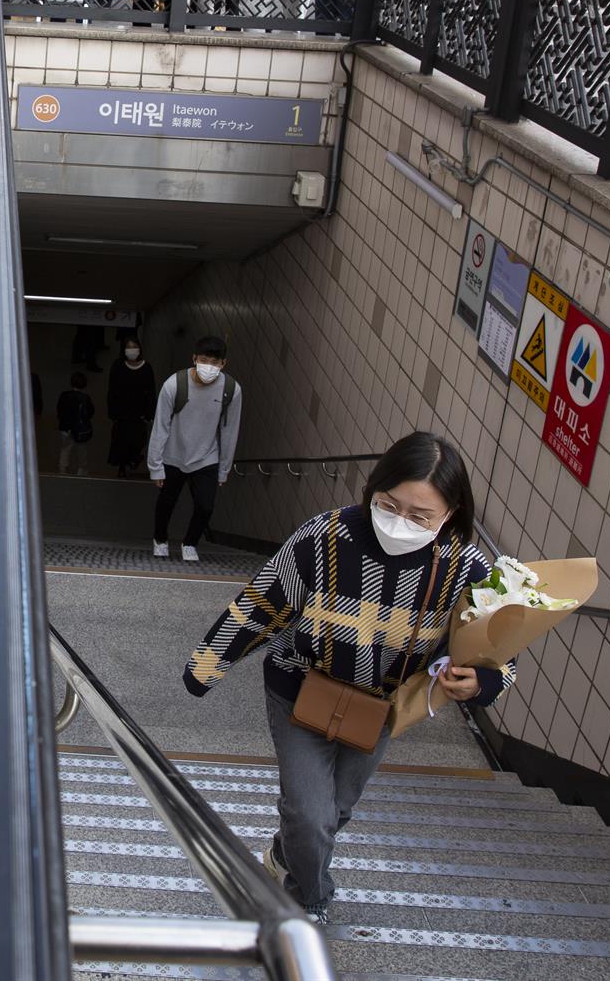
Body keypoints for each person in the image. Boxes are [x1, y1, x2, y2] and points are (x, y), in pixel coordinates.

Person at [181, 432, 514, 923]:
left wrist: (482, 684)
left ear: (451, 511)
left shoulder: (466, 566)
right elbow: (264, 602)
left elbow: (498, 644)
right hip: (299, 687)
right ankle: (310, 900)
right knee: (311, 816)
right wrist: (206, 667)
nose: (401, 523)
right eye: (389, 504)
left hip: (380, 707)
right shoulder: (324, 536)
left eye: (421, 516)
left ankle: (283, 855)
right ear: (373, 489)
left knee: (333, 812)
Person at [147, 336, 241, 560]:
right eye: (204, 360)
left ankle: (190, 543)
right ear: (194, 358)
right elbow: (160, 425)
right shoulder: (174, 384)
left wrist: (224, 469)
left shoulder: (231, 389)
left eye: (215, 362)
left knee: (205, 506)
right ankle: (160, 539)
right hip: (174, 455)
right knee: (167, 503)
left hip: (207, 457)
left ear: (223, 364)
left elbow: (230, 430)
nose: (209, 366)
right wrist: (155, 466)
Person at [106, 336, 154, 479]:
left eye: (134, 347)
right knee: (121, 441)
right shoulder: (118, 366)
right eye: (129, 348)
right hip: (122, 413)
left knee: (137, 440)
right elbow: (112, 390)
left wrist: (149, 413)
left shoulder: (146, 368)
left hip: (139, 413)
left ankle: (134, 458)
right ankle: (121, 467)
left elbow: (151, 392)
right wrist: (112, 411)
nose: (132, 351)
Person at [56, 371, 95, 476]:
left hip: (65, 428)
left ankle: (63, 469)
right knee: (82, 450)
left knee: (65, 449)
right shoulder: (85, 398)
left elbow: (59, 410)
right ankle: (82, 469)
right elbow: (90, 413)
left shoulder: (64, 395)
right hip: (80, 429)